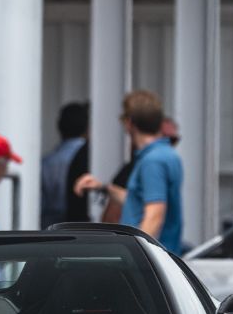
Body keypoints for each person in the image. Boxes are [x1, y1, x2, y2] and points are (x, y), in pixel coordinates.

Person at [74, 90, 184, 253]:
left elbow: (154, 215)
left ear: (129, 123)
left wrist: (135, 255)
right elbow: (137, 200)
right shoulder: (166, 154)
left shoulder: (152, 161)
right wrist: (103, 187)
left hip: (149, 261)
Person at [99, 116, 180, 226]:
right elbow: (112, 218)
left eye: (173, 140)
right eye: (164, 139)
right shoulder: (137, 169)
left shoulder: (167, 166)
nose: (167, 144)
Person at [40, 102, 88, 227]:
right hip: (85, 229)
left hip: (51, 229)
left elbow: (41, 205)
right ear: (87, 127)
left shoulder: (46, 163)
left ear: (59, 127)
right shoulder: (92, 158)